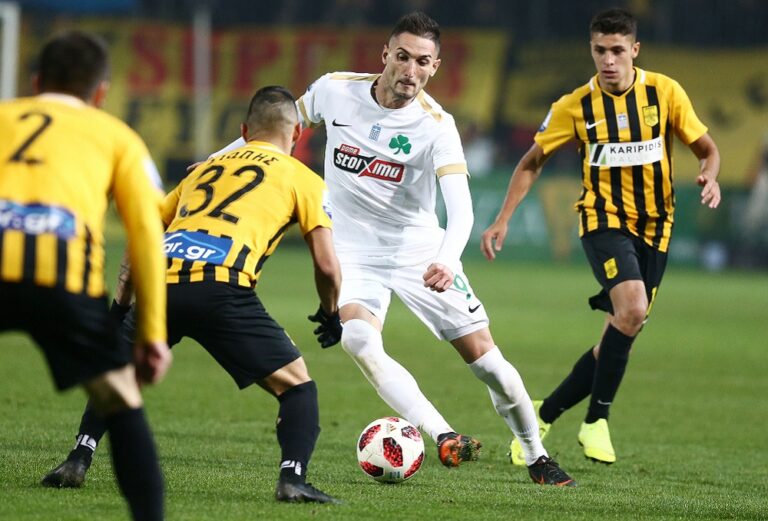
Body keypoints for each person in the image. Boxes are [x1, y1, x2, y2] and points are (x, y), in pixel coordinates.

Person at [212, 11, 574, 486]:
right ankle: (443, 435)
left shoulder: (436, 126)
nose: (410, 70)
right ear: (385, 54)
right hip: (353, 253)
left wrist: (446, 260)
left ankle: (535, 454)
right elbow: (269, 133)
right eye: (402, 57)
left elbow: (461, 210)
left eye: (422, 61)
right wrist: (213, 164)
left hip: (419, 253)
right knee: (358, 340)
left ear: (435, 67)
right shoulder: (334, 91)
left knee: (490, 365)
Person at [41, 86, 344, 503]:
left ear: (244, 131)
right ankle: (292, 479)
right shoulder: (303, 179)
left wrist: (121, 306)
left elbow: (145, 227)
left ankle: (78, 458)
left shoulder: (202, 170)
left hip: (161, 283)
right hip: (222, 287)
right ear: (296, 135)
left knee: (118, 373)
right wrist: (331, 313)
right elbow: (326, 266)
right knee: (297, 387)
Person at [481, 8, 721, 466]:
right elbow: (532, 162)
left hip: (657, 227)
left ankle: (543, 413)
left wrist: (710, 175)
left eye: (617, 50)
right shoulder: (574, 106)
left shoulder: (664, 92)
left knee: (623, 327)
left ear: (635, 50)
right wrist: (503, 218)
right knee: (632, 309)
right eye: (599, 51)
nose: (608, 60)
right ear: (590, 50)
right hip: (602, 219)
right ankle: (597, 420)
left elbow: (707, 150)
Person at [0, 32, 171, 520]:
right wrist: (152, 333)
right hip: (65, 278)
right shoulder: (118, 137)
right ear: (100, 92)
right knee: (120, 398)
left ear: (36, 83)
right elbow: (146, 233)